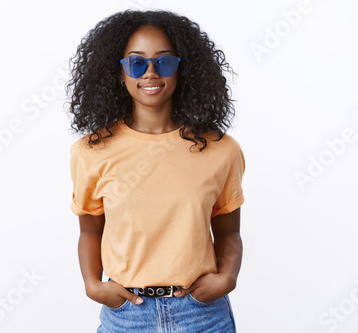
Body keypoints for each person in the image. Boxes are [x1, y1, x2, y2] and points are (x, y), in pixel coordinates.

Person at [66, 9, 245, 332]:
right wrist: (93, 285)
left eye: (163, 61)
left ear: (180, 70)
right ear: (120, 73)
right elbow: (90, 230)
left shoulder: (221, 149)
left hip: (201, 316)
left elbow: (229, 231)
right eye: (137, 62)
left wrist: (228, 277)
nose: (150, 73)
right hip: (128, 317)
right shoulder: (91, 151)